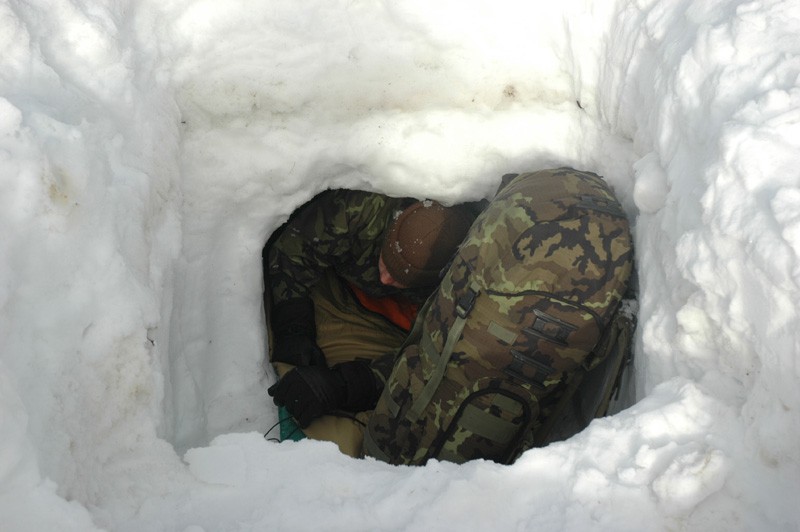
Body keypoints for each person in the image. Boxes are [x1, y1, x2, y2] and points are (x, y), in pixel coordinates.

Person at [263, 188, 478, 453]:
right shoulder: (359, 212)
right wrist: (294, 328)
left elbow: (434, 362)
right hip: (332, 287)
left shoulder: (461, 286)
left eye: (400, 278)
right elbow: (293, 251)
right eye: (387, 262)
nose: (385, 279)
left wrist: (347, 385)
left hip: (395, 331)